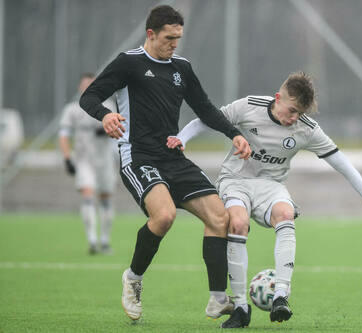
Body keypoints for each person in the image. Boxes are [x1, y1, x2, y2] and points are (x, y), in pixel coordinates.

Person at [167, 72, 362, 328]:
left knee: (286, 214)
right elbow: (208, 119)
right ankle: (241, 308)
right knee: (238, 223)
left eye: (300, 112)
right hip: (235, 180)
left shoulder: (307, 129)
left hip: (271, 186)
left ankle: (281, 297)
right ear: (278, 98)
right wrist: (182, 138)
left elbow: (344, 166)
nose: (294, 118)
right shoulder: (249, 107)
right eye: (291, 110)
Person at [79, 5, 251, 322]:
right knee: (165, 215)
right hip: (138, 155)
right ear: (151, 33)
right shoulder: (128, 63)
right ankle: (132, 278)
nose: (174, 44)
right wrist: (105, 116)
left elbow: (206, 108)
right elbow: (88, 98)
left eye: (178, 38)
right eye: (169, 38)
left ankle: (216, 299)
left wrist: (234, 134)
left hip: (172, 157)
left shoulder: (181, 68)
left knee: (219, 217)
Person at [59, 73, 117, 255]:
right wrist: (67, 158)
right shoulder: (72, 110)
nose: (87, 87)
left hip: (105, 159)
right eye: (84, 84)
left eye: (91, 84)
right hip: (84, 159)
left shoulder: (108, 106)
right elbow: (64, 135)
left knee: (106, 198)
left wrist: (108, 131)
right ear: (79, 87)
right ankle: (92, 239)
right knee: (88, 194)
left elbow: (120, 131)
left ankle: (105, 240)